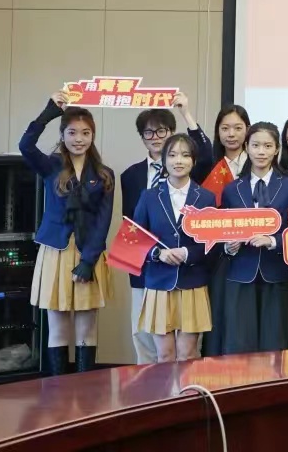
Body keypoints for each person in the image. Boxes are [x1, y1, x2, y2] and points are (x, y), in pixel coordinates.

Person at [20, 91, 114, 375]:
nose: (79, 139)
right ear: (62, 135)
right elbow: (25, 145)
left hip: (89, 254)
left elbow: (103, 221)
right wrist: (50, 112)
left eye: (86, 133)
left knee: (87, 328)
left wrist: (88, 261)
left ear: (93, 136)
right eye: (72, 132)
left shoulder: (104, 173)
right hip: (56, 251)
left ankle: (85, 391)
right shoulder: (51, 166)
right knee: (58, 327)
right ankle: (56, 391)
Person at [120, 93, 212, 364]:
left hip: (192, 280)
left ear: (193, 161)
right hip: (157, 279)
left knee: (188, 355)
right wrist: (156, 254)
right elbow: (132, 235)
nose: (178, 160)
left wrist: (188, 253)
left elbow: (213, 243)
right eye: (172, 155)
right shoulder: (148, 194)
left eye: (185, 155)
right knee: (162, 354)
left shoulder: (205, 197)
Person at [220, 122, 288, 354]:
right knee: (239, 344)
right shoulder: (232, 189)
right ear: (246, 147)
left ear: (277, 149)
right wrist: (228, 247)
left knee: (274, 343)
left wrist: (273, 241)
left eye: (268, 146)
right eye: (256, 145)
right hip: (240, 274)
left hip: (276, 274)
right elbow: (219, 233)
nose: (261, 151)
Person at [198, 104, 250, 358]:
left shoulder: (258, 162)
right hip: (218, 255)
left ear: (248, 130)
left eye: (238, 128)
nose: (231, 134)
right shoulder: (210, 166)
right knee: (219, 314)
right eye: (225, 128)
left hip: (252, 252)